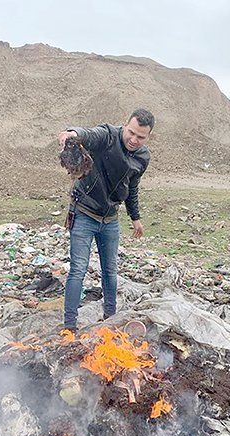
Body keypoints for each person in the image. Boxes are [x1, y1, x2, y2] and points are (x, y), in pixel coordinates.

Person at [57, 108, 154, 331]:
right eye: (131, 133)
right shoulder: (108, 136)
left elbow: (132, 187)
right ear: (125, 125)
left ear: (148, 136)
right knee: (78, 269)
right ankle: (69, 327)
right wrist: (72, 133)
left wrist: (135, 217)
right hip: (84, 212)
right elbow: (89, 134)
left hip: (110, 218)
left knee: (110, 270)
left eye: (140, 137)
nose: (133, 140)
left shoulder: (143, 157)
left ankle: (110, 320)